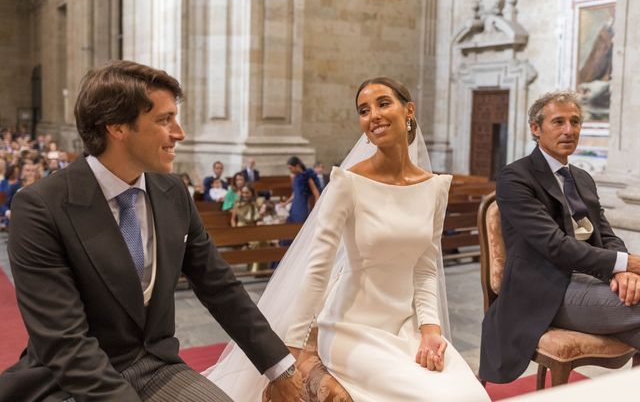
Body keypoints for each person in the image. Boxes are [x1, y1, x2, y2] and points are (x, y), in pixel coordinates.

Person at [0, 60, 301, 402]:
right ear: (117, 127)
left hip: (156, 366)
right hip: (70, 379)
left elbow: (221, 287)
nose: (180, 133)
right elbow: (64, 341)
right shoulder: (41, 206)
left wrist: (280, 367)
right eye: (164, 120)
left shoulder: (172, 193)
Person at [206, 77, 489, 401]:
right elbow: (318, 270)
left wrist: (430, 330)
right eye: (364, 110)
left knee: (471, 396)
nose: (374, 115)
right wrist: (293, 350)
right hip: (350, 329)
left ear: (408, 110)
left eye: (384, 103)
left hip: (406, 326)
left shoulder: (434, 188)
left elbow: (425, 269)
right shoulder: (348, 183)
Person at [479, 91, 640, 384]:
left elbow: (604, 232)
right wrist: (625, 263)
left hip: (590, 280)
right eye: (559, 122)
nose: (569, 130)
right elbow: (555, 246)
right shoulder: (515, 178)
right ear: (536, 128)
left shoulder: (582, 177)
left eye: (575, 121)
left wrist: (625, 271)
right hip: (544, 289)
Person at [282, 156, 320, 224]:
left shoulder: (306, 176)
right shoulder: (295, 177)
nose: (290, 170)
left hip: (302, 207)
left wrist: (316, 207)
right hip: (294, 206)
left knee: (300, 225)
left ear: (297, 166)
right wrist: (286, 203)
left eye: (291, 168)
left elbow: (316, 192)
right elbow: (294, 193)